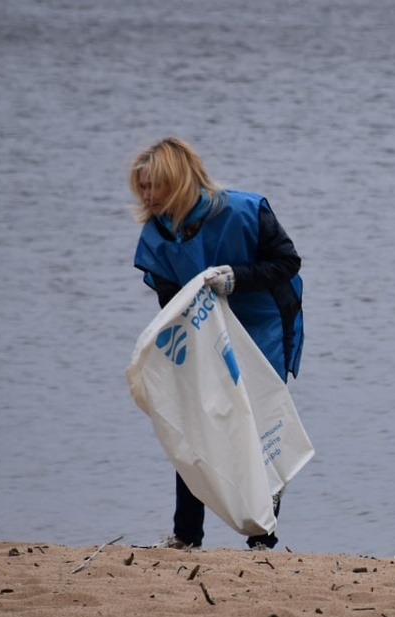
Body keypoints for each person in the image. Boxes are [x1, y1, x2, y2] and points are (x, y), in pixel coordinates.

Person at [128, 137, 304, 551]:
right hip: (203, 333)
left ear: (179, 181)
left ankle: (263, 537)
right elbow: (171, 305)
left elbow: (287, 263)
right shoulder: (157, 236)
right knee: (195, 422)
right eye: (142, 189)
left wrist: (237, 278)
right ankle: (187, 536)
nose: (148, 197)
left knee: (254, 425)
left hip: (263, 325)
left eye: (154, 186)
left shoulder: (246, 211)